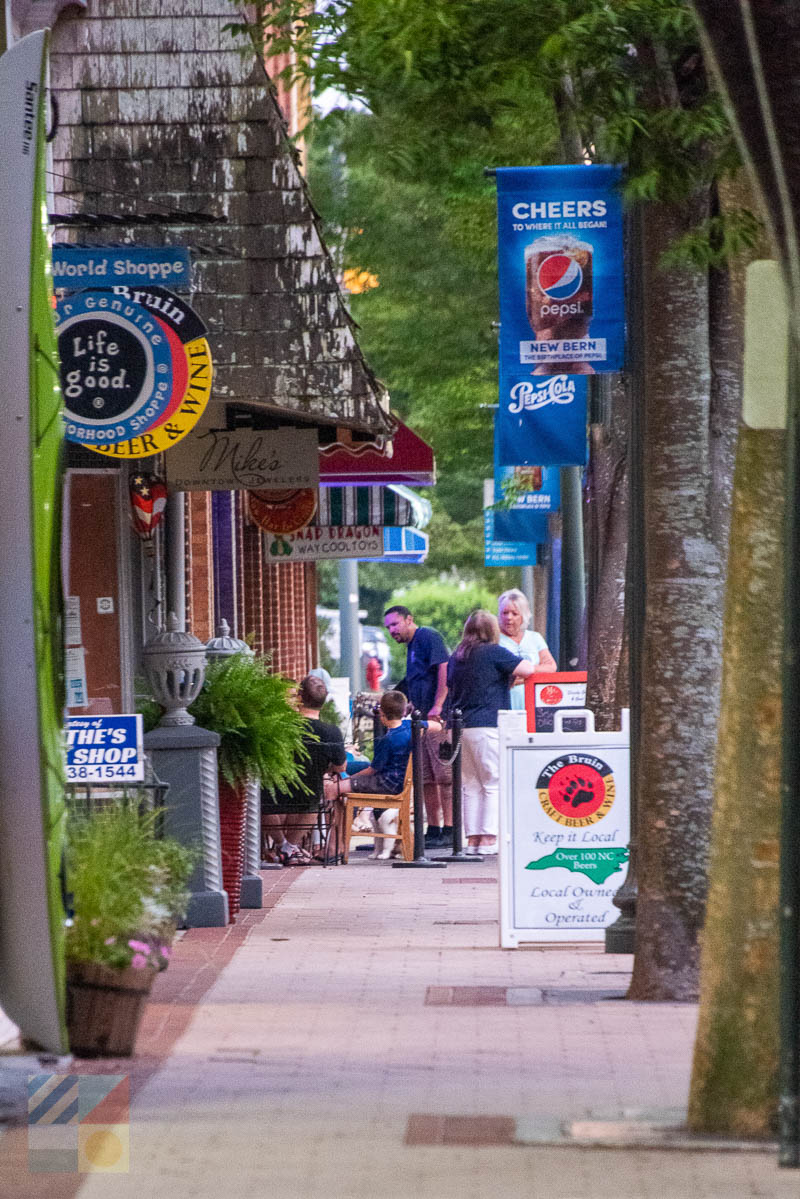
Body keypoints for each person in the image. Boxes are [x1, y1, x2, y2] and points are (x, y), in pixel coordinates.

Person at [446, 610, 536, 854]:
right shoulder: (493, 652)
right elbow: (528, 669)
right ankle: (489, 838)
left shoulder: (458, 656)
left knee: (471, 785)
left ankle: (473, 839)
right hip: (487, 725)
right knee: (493, 782)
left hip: (460, 727)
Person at [383, 605, 453, 848]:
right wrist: (412, 704)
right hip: (420, 720)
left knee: (444, 776)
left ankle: (451, 830)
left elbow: (444, 668)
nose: (392, 630)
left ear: (409, 619)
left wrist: (439, 705)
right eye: (388, 627)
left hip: (437, 720)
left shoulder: (427, 636)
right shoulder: (412, 646)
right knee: (425, 777)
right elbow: (421, 678)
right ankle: (433, 828)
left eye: (395, 624)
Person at [261, 674, 347, 865]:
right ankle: (289, 848)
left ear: (299, 697)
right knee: (316, 799)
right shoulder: (331, 731)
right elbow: (341, 766)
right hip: (308, 795)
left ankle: (282, 845)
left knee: (263, 801)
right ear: (323, 702)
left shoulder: (279, 726)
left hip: (273, 795)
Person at [497, 588, 557, 710]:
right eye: (505, 613)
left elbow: (551, 667)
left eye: (514, 613)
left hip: (534, 701)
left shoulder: (535, 637)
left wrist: (524, 674)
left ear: (523, 616)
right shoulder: (494, 639)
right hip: (505, 701)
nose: (509, 617)